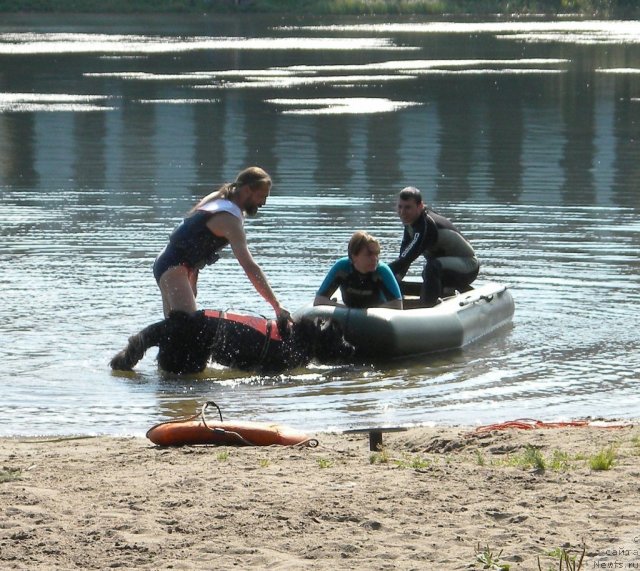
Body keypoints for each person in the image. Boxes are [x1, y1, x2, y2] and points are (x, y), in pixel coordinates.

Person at [153, 166, 290, 321]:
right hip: (174, 269)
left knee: (173, 332)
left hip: (166, 263)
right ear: (246, 190)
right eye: (261, 196)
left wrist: (192, 283)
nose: (263, 203)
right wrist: (276, 305)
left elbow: (193, 240)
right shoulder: (230, 221)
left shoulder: (218, 197)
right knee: (187, 329)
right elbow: (250, 267)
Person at [388, 186, 479, 307]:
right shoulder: (411, 223)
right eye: (400, 207)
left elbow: (407, 258)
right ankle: (443, 294)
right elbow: (403, 259)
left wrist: (379, 272)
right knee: (427, 271)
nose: (402, 212)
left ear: (420, 206)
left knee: (431, 268)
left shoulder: (426, 226)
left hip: (468, 267)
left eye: (408, 207)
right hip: (447, 268)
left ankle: (427, 307)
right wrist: (393, 282)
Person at [314, 231, 403, 309]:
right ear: (354, 256)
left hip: (377, 318)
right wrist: (344, 309)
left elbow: (398, 305)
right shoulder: (342, 268)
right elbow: (319, 300)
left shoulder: (382, 271)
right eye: (369, 254)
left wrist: (368, 313)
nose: (375, 259)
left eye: (376, 254)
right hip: (347, 313)